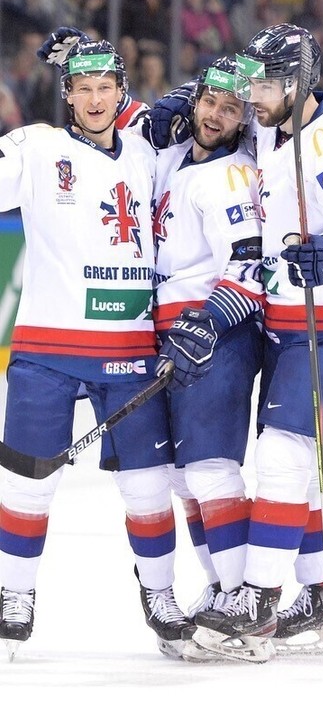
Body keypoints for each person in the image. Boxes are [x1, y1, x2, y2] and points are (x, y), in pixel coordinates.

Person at [151, 23, 323, 662]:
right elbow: (223, 102)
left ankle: (258, 602)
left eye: (265, 85)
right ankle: (321, 597)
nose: (253, 96)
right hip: (288, 322)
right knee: (305, 467)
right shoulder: (272, 118)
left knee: (283, 455)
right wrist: (177, 101)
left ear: (299, 84)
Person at [0, 38, 190, 660]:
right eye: (82, 89)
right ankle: (14, 596)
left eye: (105, 87)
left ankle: (160, 596)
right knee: (27, 483)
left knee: (147, 486)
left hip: (132, 350)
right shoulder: (36, 147)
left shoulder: (148, 154)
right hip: (49, 345)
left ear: (119, 91)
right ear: (66, 94)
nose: (94, 99)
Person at [149, 55, 265, 662]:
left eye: (231, 108)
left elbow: (251, 267)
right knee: (178, 477)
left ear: (245, 118)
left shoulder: (234, 177)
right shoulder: (172, 161)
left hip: (216, 333)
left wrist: (212, 320)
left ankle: (249, 606)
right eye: (209, 103)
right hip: (167, 335)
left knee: (211, 469)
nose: (216, 116)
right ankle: (223, 587)